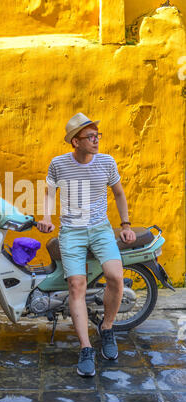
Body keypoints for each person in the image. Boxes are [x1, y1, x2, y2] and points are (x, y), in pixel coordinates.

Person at [36, 112, 136, 377]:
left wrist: (125, 225)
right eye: (90, 136)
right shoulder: (58, 164)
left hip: (101, 229)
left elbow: (118, 194)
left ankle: (107, 327)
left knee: (116, 277)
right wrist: (46, 217)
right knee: (76, 285)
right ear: (75, 142)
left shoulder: (106, 162)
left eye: (97, 135)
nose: (96, 140)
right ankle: (86, 348)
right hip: (72, 232)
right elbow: (49, 193)